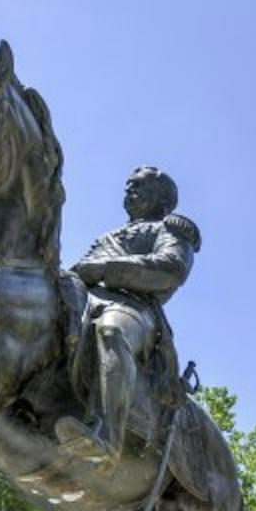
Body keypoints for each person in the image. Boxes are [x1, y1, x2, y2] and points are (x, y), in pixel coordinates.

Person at [56, 167, 199, 465]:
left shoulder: (171, 230)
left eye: (138, 187)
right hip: (85, 298)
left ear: (161, 198)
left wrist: (107, 269)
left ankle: (108, 435)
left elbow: (170, 268)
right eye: (128, 186)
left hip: (134, 308)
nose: (129, 191)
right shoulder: (107, 236)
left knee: (111, 331)